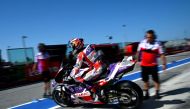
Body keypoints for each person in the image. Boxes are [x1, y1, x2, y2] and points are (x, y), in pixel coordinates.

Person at [136, 30, 166, 99]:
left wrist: (164, 64)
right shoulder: (142, 43)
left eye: (151, 37)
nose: (149, 38)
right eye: (147, 37)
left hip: (153, 65)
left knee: (156, 80)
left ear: (153, 37)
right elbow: (138, 52)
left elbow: (162, 54)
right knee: (145, 80)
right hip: (144, 65)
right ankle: (147, 94)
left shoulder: (158, 43)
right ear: (146, 37)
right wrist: (137, 60)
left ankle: (157, 93)